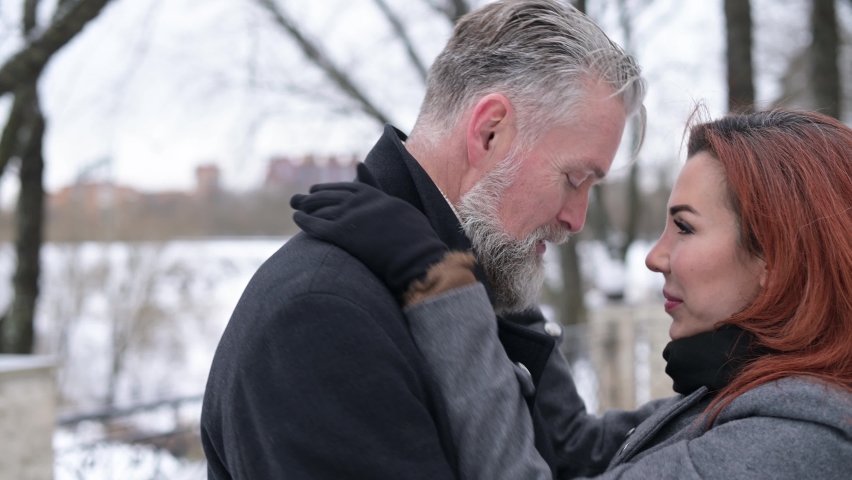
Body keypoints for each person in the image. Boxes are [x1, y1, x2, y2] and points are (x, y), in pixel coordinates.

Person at [201, 1, 650, 478]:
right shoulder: (322, 318)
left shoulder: (483, 272)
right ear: (490, 133)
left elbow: (572, 452)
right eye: (574, 178)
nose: (575, 219)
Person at [293, 109, 852, 479]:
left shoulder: (786, 447)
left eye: (683, 226)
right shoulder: (759, 401)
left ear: (777, 261)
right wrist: (503, 288)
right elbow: (578, 451)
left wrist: (440, 285)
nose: (655, 256)